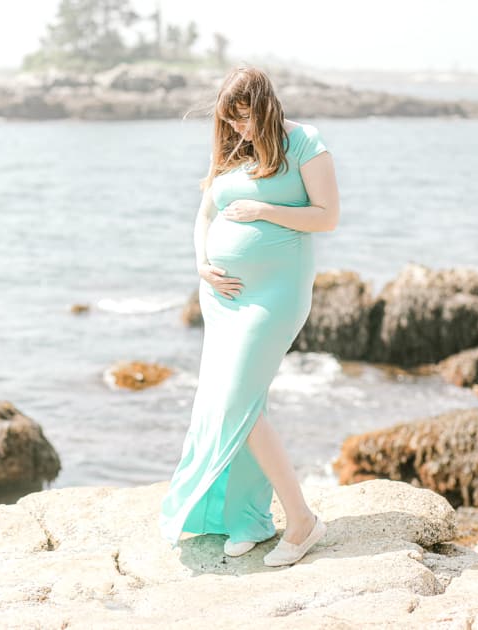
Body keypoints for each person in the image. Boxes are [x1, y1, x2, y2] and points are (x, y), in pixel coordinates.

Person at [158, 65, 340, 567]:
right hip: (222, 297)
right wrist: (201, 266)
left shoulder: (304, 142)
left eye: (245, 117)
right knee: (237, 402)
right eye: (230, 119)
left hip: (275, 295)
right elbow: (205, 216)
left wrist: (265, 212)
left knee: (235, 398)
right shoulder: (231, 149)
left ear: (266, 107)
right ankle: (246, 519)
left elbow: (326, 216)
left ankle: (302, 521)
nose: (239, 128)